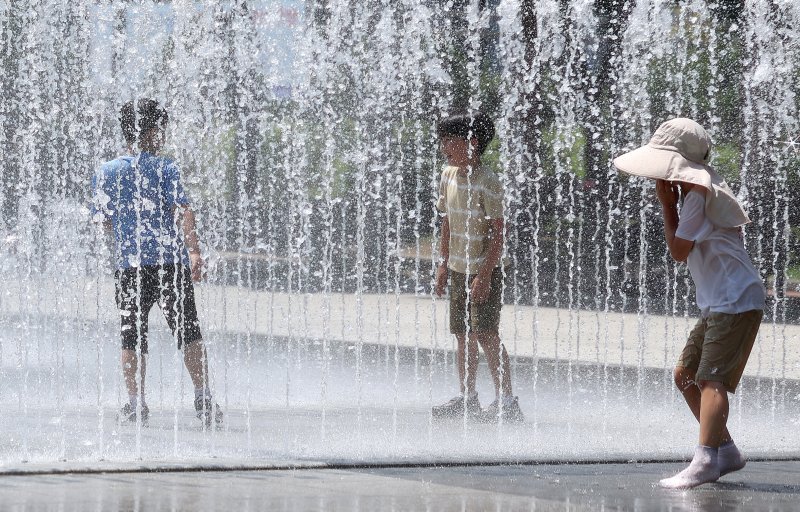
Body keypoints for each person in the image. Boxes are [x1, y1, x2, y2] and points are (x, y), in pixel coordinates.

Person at [614, 118, 765, 489]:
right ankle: (724, 450)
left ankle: (705, 461)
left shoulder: (697, 195)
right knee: (685, 375)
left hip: (735, 299)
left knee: (711, 379)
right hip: (721, 301)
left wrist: (667, 207)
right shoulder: (698, 192)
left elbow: (679, 251)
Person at [92, 98, 223, 428]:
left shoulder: (106, 172)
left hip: (130, 266)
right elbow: (183, 211)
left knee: (131, 335)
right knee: (188, 331)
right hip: (170, 264)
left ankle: (136, 404)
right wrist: (194, 252)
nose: (163, 136)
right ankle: (203, 397)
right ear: (150, 132)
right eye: (160, 130)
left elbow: (103, 221)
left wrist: (126, 228)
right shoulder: (166, 169)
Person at [432, 112, 523, 423]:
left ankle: (506, 401)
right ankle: (468, 397)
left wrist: (484, 277)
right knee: (462, 334)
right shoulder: (447, 175)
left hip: (483, 270)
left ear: (471, 143)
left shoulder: (489, 181)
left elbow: (499, 233)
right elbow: (445, 221)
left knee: (486, 333)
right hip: (458, 268)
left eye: (449, 141)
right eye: (442, 140)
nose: (444, 147)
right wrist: (443, 264)